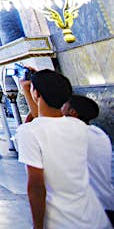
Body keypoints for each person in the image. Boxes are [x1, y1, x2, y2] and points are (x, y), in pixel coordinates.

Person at [16, 70, 108, 229]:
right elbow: (48, 124)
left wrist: (38, 226)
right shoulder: (79, 126)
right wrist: (48, 82)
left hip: (62, 220)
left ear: (36, 94)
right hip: (94, 217)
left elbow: (36, 187)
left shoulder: (29, 132)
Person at [61, 95, 114, 225]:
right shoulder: (99, 133)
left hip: (91, 209)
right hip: (107, 203)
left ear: (72, 112)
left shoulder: (73, 132)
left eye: (63, 106)